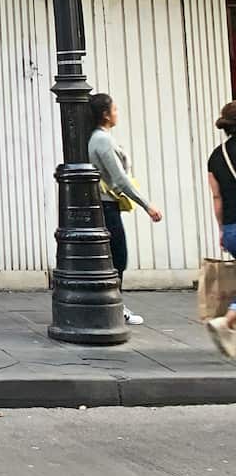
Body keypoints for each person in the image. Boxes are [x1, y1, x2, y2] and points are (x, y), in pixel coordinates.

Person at [88, 92, 163, 328]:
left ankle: (111, 304)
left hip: (105, 205)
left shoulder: (100, 138)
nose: (117, 113)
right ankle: (115, 306)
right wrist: (147, 205)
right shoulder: (102, 140)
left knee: (112, 256)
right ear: (105, 114)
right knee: (118, 257)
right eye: (115, 109)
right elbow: (120, 180)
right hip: (107, 206)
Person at [204, 101, 236, 359]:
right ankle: (227, 320)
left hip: (232, 228)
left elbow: (217, 199)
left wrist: (223, 231)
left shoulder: (216, 156)